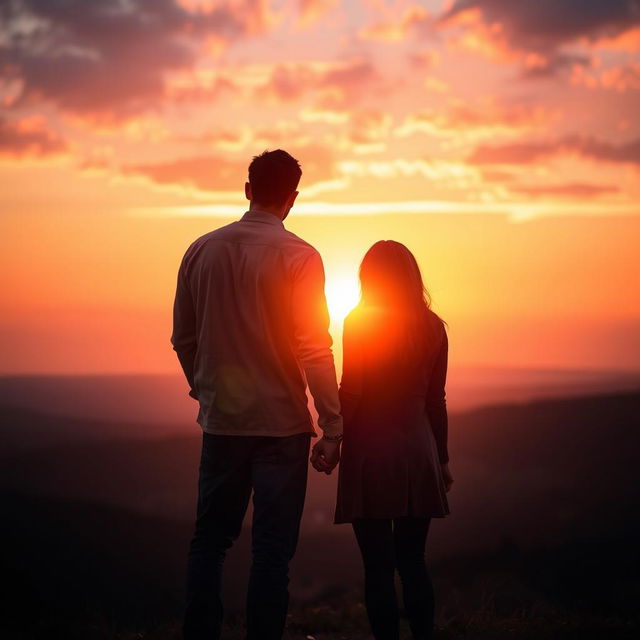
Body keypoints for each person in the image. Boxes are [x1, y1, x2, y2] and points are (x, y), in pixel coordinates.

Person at [170, 149, 343, 640]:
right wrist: (333, 426)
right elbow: (314, 347)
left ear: (248, 190)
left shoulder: (200, 250)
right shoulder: (300, 257)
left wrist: (204, 392)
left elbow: (184, 339)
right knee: (271, 550)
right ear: (292, 198)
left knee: (209, 542)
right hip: (282, 425)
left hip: (223, 421)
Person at [329, 240, 454, 640]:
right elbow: (437, 401)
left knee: (378, 567)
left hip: (371, 449)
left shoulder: (360, 321)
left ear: (369, 278)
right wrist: (443, 459)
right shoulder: (433, 327)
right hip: (419, 450)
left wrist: (334, 437)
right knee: (414, 560)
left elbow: (353, 390)